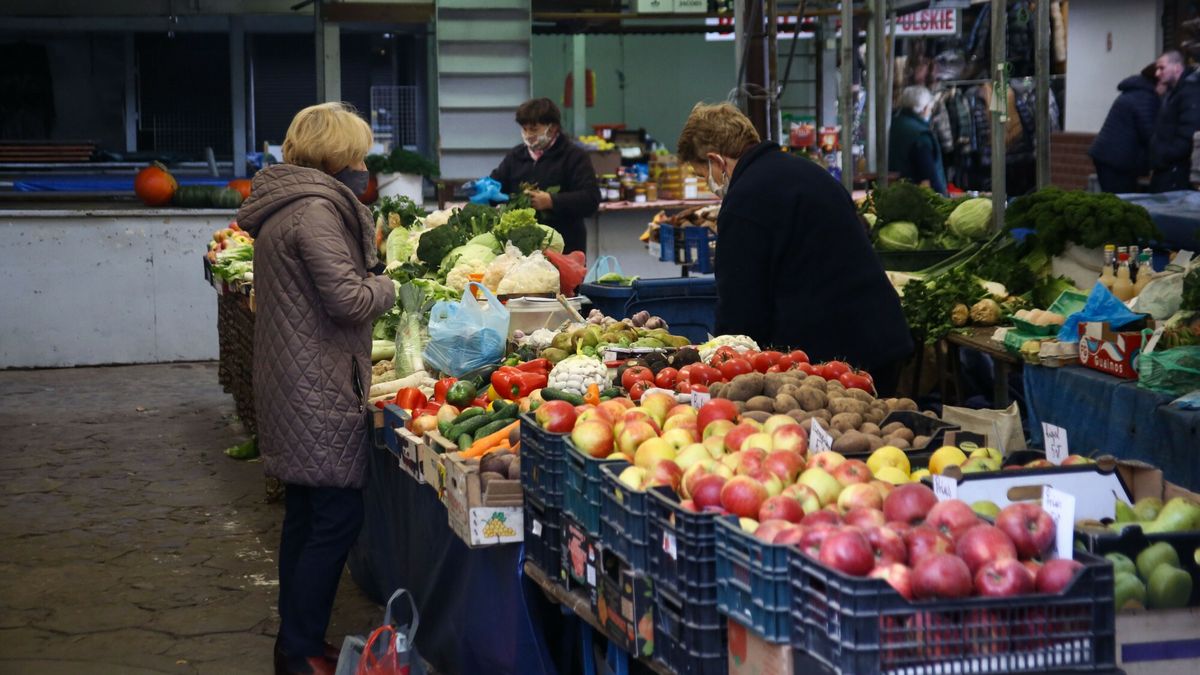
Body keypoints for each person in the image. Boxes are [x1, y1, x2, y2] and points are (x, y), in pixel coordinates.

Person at [237, 102, 396, 675]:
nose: (362, 164)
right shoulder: (316, 211)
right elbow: (349, 299)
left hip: (295, 378)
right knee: (334, 518)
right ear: (334, 155)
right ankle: (301, 650)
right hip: (317, 384)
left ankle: (296, 643)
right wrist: (388, 285)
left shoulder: (288, 204)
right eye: (356, 153)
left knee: (306, 517)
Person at [677, 102, 914, 396]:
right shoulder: (809, 173)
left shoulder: (744, 202)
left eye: (703, 175)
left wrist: (723, 362)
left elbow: (741, 307)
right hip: (880, 337)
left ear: (717, 161)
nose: (708, 184)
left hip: (834, 361)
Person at [490, 97, 599, 253]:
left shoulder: (574, 156)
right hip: (521, 250)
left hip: (565, 248)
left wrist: (552, 201)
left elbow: (591, 199)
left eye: (534, 129)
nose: (528, 135)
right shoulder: (515, 156)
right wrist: (484, 190)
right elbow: (495, 186)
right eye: (524, 129)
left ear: (552, 128)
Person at [1089, 65, 1161, 193]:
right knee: (1120, 201)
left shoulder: (1135, 92)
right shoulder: (1145, 97)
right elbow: (1149, 133)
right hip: (1117, 160)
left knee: (1114, 198)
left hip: (1110, 156)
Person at [1150, 50, 1200, 192]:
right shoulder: (1175, 92)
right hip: (1167, 169)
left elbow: (1189, 134)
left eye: (1162, 68)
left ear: (1177, 67)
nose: (1157, 73)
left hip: (1175, 172)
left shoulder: (1190, 92)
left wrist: (1163, 157)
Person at [888, 86, 949, 196]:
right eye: (930, 109)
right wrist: (943, 197)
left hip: (894, 193)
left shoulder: (893, 124)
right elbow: (929, 175)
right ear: (924, 108)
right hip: (913, 197)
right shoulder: (920, 135)